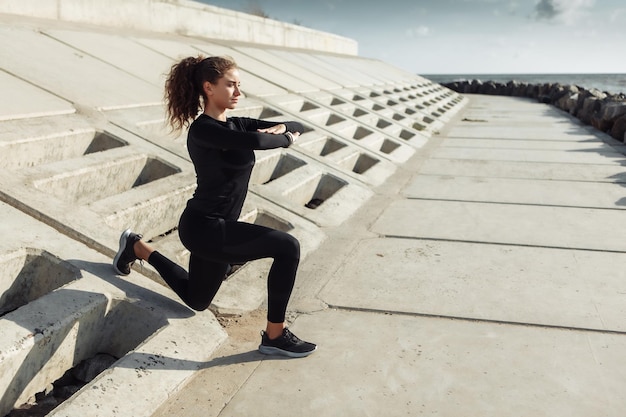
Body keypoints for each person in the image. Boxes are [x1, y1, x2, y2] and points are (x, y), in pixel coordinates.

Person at [112, 55, 316, 358]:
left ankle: (137, 247)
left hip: (220, 228)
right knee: (288, 247)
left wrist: (285, 126)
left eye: (239, 86)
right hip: (204, 227)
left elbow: (297, 126)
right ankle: (275, 335)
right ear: (209, 87)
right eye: (230, 85)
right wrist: (284, 138)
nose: (238, 92)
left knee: (196, 299)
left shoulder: (238, 124)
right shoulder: (204, 130)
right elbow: (259, 143)